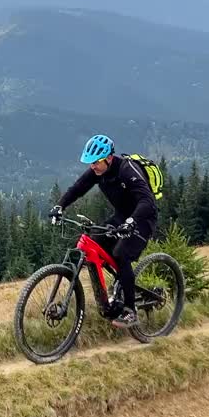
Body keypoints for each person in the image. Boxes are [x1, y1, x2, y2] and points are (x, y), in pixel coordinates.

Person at [48, 134, 157, 329]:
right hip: (120, 217)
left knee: (121, 255)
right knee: (94, 242)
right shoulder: (97, 171)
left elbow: (147, 202)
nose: (92, 167)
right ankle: (116, 291)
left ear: (108, 158)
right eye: (90, 163)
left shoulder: (126, 170)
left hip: (141, 220)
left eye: (95, 162)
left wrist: (131, 221)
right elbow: (78, 189)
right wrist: (60, 206)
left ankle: (130, 310)